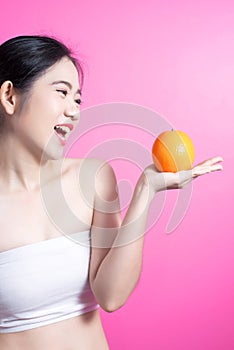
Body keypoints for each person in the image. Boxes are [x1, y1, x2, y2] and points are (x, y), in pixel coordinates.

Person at [0, 35, 223, 350]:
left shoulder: (91, 178)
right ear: (9, 96)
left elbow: (111, 295)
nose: (74, 112)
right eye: (61, 93)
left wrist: (147, 189)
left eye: (77, 99)